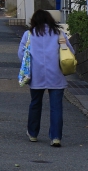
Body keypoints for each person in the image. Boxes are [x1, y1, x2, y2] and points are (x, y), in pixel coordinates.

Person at [19, 9, 72, 146]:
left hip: (36, 75)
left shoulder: (29, 34)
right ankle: (55, 137)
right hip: (56, 75)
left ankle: (33, 133)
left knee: (35, 104)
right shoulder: (59, 34)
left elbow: (21, 54)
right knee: (56, 107)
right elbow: (70, 52)